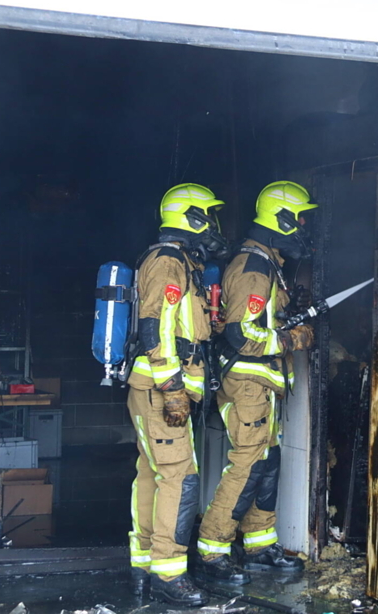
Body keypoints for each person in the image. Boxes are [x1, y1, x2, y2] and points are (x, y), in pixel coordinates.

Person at [197, 181, 317, 580]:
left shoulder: (269, 264)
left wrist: (287, 316)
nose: (303, 226)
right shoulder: (253, 267)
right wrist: (288, 338)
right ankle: (212, 551)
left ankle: (259, 547)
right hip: (246, 384)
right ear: (280, 219)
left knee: (268, 463)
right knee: (247, 466)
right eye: (299, 219)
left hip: (262, 386)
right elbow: (241, 335)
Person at [126, 183, 234, 606]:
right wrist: (172, 388)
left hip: (153, 388)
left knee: (153, 475)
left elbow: (182, 325)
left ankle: (145, 566)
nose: (212, 225)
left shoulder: (179, 263)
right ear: (188, 217)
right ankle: (169, 573)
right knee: (180, 478)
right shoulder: (168, 263)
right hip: (159, 389)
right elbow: (157, 329)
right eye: (207, 215)